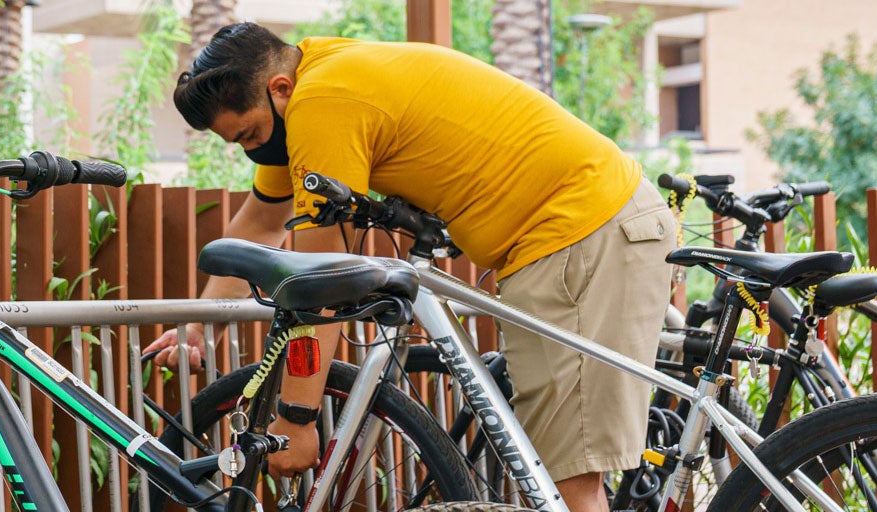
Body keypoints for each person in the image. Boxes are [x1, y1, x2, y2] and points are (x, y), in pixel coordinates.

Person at [145, 22, 675, 511]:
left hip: (580, 230)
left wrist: (299, 418)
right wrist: (199, 325)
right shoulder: (324, 74)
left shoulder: (322, 102)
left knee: (567, 481)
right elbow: (260, 223)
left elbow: (315, 281)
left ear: (280, 89)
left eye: (251, 136)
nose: (252, 152)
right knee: (557, 467)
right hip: (574, 234)